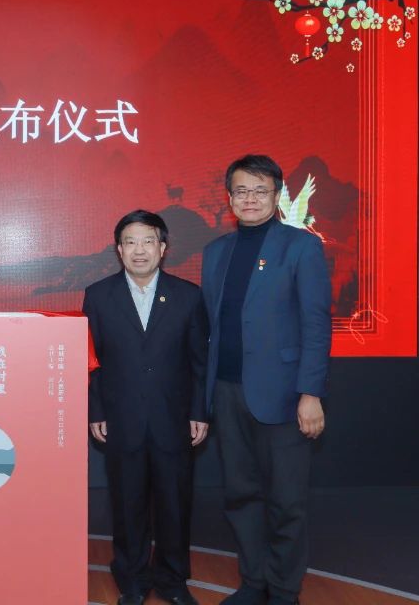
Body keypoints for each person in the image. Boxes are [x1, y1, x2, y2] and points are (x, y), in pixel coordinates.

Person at [201, 155, 331, 605]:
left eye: (260, 191)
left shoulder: (301, 247)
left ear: (276, 196)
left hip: (284, 395)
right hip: (226, 391)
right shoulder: (216, 252)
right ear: (229, 197)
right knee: (241, 495)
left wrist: (310, 393)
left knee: (286, 501)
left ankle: (284, 589)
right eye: (241, 191)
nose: (250, 199)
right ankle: (253, 582)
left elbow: (316, 324)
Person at [84, 210, 208, 605]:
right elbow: (92, 361)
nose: (140, 250)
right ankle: (132, 579)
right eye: (131, 242)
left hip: (174, 418)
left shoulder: (188, 296)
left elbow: (199, 362)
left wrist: (199, 411)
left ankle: (173, 579)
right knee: (128, 503)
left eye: (148, 241)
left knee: (174, 503)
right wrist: (97, 411)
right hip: (121, 419)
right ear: (119, 250)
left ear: (163, 248)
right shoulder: (98, 295)